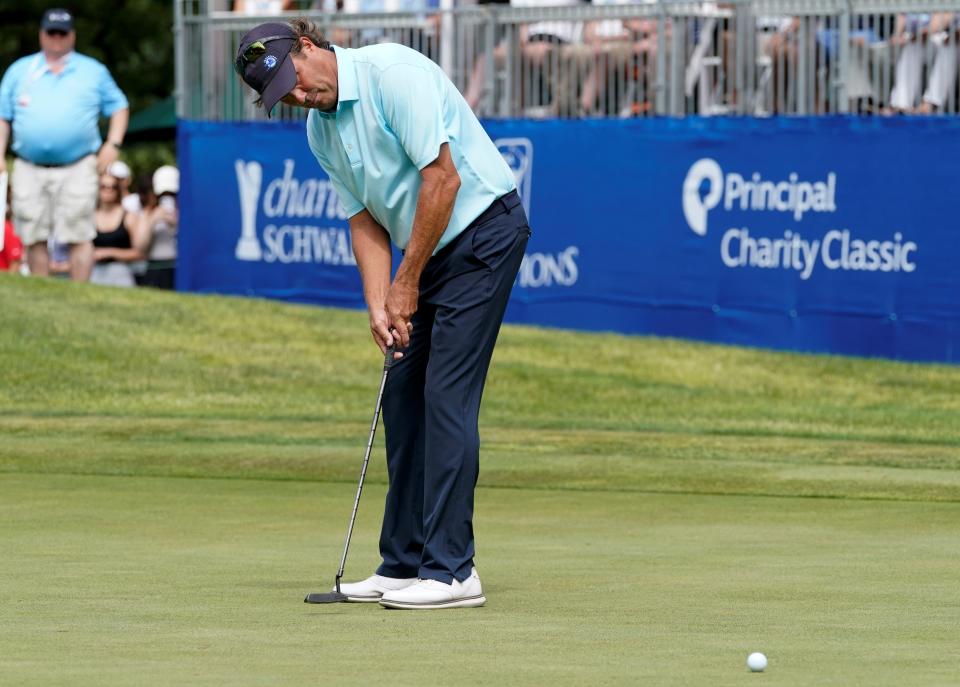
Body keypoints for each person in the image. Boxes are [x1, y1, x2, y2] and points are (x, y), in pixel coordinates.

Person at [236, 19, 529, 609]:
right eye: (281, 97)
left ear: (309, 47)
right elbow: (365, 219)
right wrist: (378, 304)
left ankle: (452, 572)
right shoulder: (320, 131)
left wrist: (406, 282)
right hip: (430, 251)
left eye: (292, 81)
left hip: (481, 235)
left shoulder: (392, 75)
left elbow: (441, 181)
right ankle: (403, 562)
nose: (296, 97)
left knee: (446, 396)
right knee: (402, 395)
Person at [0, 8, 129, 282]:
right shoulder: (19, 71)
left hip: (78, 164)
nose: (56, 38)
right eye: (51, 32)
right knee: (33, 234)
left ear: (72, 35)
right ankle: (42, 293)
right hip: (28, 164)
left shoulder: (92, 71)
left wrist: (113, 144)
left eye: (62, 33)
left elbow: (119, 107)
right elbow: (3, 117)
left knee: (79, 233)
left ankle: (81, 295)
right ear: (41, 34)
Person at [90, 171, 143, 287]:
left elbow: (139, 252)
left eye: (112, 187)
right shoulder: (89, 218)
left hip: (122, 273)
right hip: (93, 273)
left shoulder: (129, 216)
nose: (108, 190)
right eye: (103, 186)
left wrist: (109, 252)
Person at [135, 165, 179, 290]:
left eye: (172, 194)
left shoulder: (188, 214)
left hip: (179, 268)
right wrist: (152, 221)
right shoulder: (147, 213)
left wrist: (176, 225)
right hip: (155, 269)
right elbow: (140, 248)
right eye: (163, 195)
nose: (168, 198)